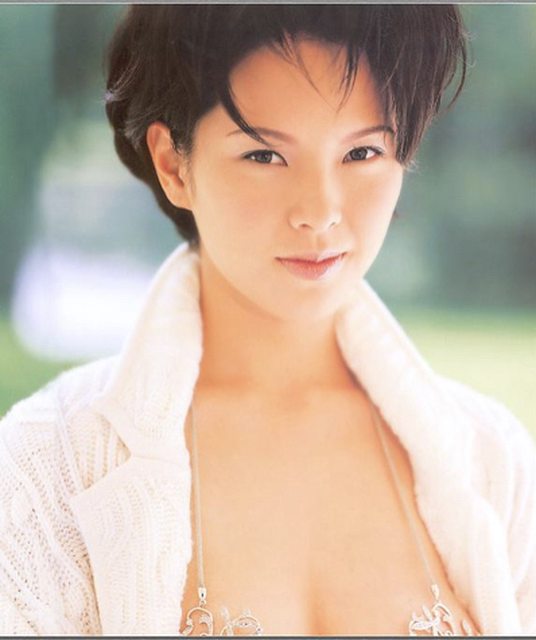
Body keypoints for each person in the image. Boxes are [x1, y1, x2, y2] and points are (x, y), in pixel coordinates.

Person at [0, 5, 534, 636]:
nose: (320, 211)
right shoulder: (45, 466)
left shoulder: (494, 458)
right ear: (173, 164)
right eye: (263, 155)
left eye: (362, 151)